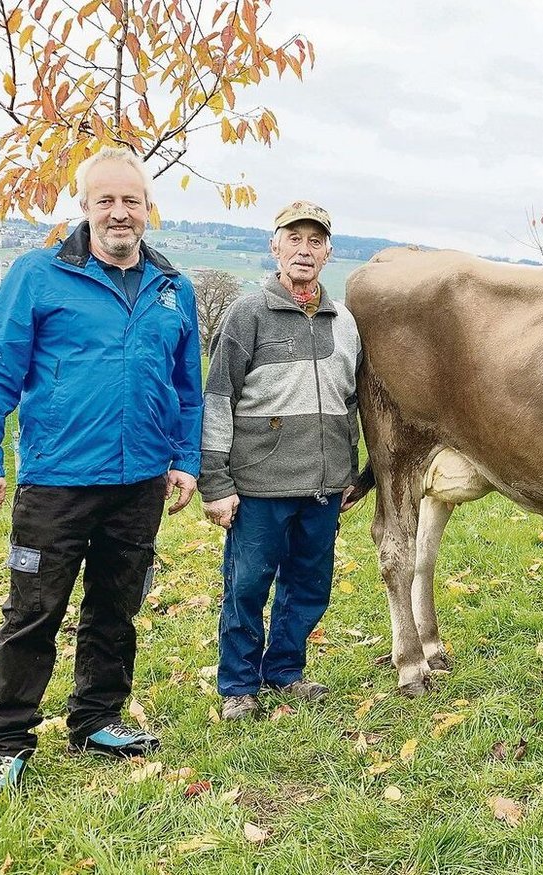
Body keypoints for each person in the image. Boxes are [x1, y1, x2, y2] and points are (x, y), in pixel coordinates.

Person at [0, 146, 203, 798]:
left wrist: (184, 457)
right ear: (86, 207)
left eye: (132, 200)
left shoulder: (174, 289)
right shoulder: (38, 275)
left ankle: (95, 719)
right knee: (34, 611)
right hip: (57, 478)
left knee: (116, 608)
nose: (120, 212)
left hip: (140, 480)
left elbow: (187, 387)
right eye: (106, 200)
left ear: (147, 208)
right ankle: (4, 741)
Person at [200, 200, 367, 721]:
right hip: (259, 484)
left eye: (314, 241)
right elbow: (218, 399)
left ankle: (285, 671)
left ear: (328, 253)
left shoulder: (345, 322)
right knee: (247, 585)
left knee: (310, 586)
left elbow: (353, 401)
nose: (304, 249)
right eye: (293, 238)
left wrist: (353, 473)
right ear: (275, 247)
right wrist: (216, 482)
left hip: (323, 484)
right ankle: (239, 685)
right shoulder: (248, 314)